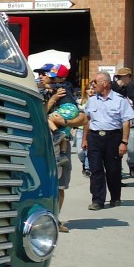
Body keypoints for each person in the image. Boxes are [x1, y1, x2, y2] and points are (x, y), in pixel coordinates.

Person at [37, 70, 85, 231]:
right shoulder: (37, 92)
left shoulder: (64, 91)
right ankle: (39, 220)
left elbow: (83, 118)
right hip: (43, 145)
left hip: (60, 143)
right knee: (40, 185)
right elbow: (39, 116)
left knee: (60, 185)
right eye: (40, 74)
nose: (41, 76)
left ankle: (54, 220)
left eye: (44, 74)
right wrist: (52, 100)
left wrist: (64, 121)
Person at [83, 71, 134, 210]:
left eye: (95, 82)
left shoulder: (120, 100)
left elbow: (126, 122)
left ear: (105, 83)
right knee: (95, 169)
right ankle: (97, 200)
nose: (93, 85)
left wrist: (124, 142)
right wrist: (85, 139)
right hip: (94, 137)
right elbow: (86, 120)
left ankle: (115, 196)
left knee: (113, 169)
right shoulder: (92, 100)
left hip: (113, 138)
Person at [112, 67, 134, 178]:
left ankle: (132, 166)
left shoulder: (131, 87)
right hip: (115, 124)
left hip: (129, 122)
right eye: (129, 76)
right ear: (123, 76)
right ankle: (117, 173)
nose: (131, 79)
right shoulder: (112, 87)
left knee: (132, 148)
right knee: (116, 152)